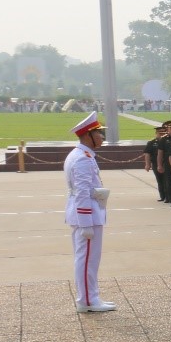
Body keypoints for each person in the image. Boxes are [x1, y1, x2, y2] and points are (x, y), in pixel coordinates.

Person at [65, 113, 115, 313]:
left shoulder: (81, 155)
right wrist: (86, 223)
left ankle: (91, 296)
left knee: (90, 259)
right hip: (86, 216)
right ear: (88, 135)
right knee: (87, 260)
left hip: (87, 214)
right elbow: (82, 193)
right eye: (99, 133)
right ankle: (87, 301)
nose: (102, 137)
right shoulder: (82, 159)